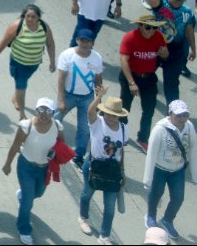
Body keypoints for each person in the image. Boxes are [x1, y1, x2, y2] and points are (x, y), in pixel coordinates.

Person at [2, 99, 62, 245]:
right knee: (28, 201)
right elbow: (16, 146)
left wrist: (56, 155)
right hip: (26, 166)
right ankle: (24, 229)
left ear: (53, 113)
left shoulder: (57, 126)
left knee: (38, 193)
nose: (44, 114)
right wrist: (8, 164)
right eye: (41, 110)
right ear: (36, 111)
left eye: (48, 111)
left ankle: (22, 195)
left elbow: (61, 145)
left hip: (44, 169)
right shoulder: (26, 126)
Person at [144, 99, 197, 239]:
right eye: (178, 115)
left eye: (185, 115)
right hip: (160, 169)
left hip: (177, 170)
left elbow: (193, 150)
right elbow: (151, 155)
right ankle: (151, 215)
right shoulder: (159, 129)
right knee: (156, 193)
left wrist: (195, 175)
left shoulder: (189, 127)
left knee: (178, 198)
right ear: (170, 114)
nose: (182, 119)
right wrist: (148, 179)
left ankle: (167, 219)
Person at [78, 86, 127, 245]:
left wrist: (122, 170)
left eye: (114, 115)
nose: (110, 117)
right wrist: (99, 97)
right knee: (87, 194)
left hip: (112, 171)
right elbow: (90, 112)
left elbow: (121, 151)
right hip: (94, 165)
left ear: (119, 116)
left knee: (110, 206)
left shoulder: (124, 129)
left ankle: (104, 235)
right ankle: (83, 217)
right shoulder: (97, 122)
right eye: (108, 113)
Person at [0, 4, 56, 114]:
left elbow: (50, 43)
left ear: (38, 17)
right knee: (21, 85)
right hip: (18, 63)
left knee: (22, 81)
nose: (30, 19)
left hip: (34, 63)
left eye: (33, 16)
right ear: (24, 16)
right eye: (27, 16)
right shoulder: (17, 26)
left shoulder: (44, 27)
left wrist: (52, 61)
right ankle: (22, 112)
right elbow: (4, 41)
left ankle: (16, 96)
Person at [120, 15, 169, 149]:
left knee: (149, 109)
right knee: (124, 108)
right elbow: (124, 61)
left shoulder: (158, 37)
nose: (151, 31)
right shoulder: (130, 37)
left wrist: (164, 53)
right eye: (148, 27)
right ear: (140, 26)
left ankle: (143, 138)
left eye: (154, 27)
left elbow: (165, 55)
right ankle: (121, 134)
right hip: (130, 76)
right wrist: (131, 83)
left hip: (148, 77)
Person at [58, 28, 106, 166]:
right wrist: (61, 100)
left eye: (88, 41)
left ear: (92, 43)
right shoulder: (67, 55)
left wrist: (98, 101)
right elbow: (61, 78)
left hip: (87, 97)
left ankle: (78, 156)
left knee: (85, 128)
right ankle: (47, 145)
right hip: (68, 95)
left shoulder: (96, 58)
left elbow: (98, 79)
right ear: (77, 40)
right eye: (82, 40)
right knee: (54, 118)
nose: (84, 43)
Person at [147, 0, 196, 106]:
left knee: (172, 83)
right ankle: (146, 92)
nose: (178, 2)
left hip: (175, 50)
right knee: (146, 73)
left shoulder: (187, 11)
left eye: (181, 0)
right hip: (156, 47)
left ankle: (173, 111)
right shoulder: (161, 6)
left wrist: (193, 49)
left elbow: (189, 30)